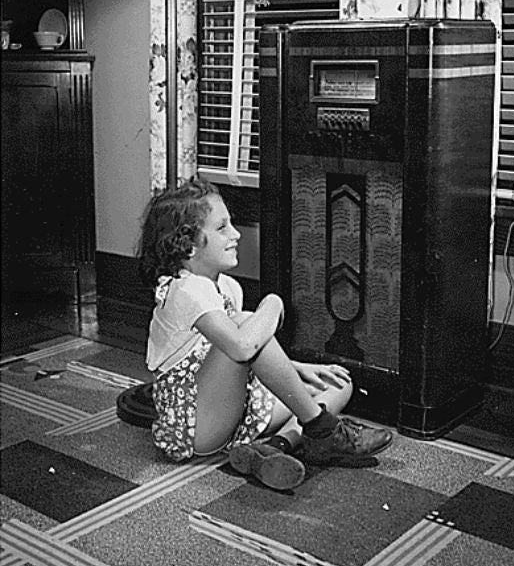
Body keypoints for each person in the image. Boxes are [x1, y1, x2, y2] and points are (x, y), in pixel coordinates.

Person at [138, 177, 392, 490]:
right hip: (195, 425)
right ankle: (322, 429)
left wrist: (299, 369)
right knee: (247, 323)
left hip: (235, 413)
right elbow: (243, 349)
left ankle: (275, 448)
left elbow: (247, 356)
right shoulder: (185, 289)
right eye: (222, 228)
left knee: (338, 383)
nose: (235, 235)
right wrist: (272, 303)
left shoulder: (228, 287)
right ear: (188, 244)